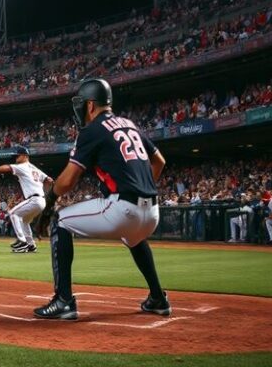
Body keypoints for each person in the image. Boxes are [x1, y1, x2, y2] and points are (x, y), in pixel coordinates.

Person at [33, 78, 170, 320]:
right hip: (152, 213)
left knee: (60, 221)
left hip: (123, 209)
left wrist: (50, 200)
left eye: (81, 103)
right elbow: (159, 161)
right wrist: (143, 186)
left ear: (90, 105)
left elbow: (67, 181)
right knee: (134, 238)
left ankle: (63, 300)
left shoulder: (92, 129)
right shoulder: (129, 124)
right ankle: (158, 298)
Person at [0, 146, 53, 253]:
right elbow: (49, 180)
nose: (16, 158)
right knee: (24, 221)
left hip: (34, 199)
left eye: (18, 156)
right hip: (41, 200)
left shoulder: (23, 166)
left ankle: (22, 242)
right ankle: (31, 244)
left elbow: (7, 167)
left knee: (13, 213)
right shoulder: (34, 168)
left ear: (25, 156)